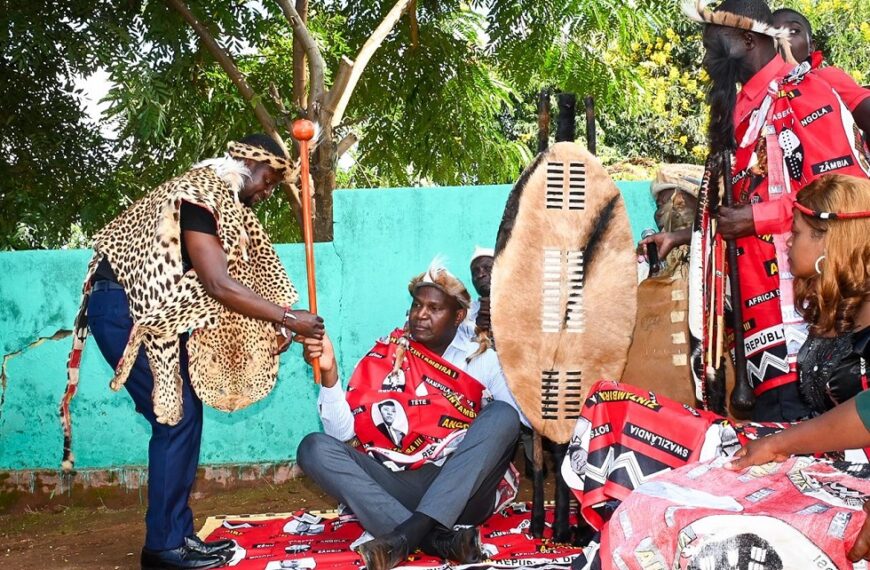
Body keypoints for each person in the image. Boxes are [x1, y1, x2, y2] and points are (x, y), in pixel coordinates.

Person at [568, 173, 870, 569]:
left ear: (829, 241)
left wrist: (780, 445)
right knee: (613, 407)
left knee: (674, 508)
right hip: (815, 453)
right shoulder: (842, 309)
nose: (788, 241)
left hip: (844, 473)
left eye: (796, 233)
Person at [61, 134, 324, 570]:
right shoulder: (200, 195)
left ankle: (177, 536)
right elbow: (218, 283)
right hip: (124, 309)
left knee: (183, 415)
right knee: (176, 416)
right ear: (245, 164)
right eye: (268, 180)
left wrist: (274, 323)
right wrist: (285, 317)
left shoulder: (219, 204)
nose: (268, 191)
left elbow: (223, 286)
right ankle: (164, 546)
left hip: (148, 313)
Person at [642, 0, 870, 422]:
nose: (707, 59)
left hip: (808, 326)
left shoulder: (807, 92)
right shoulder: (746, 112)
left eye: (714, 46)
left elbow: (850, 195)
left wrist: (756, 218)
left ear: (748, 39)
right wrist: (686, 235)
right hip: (756, 335)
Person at [295, 259, 522, 570]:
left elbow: (518, 424)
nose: (421, 315)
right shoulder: (388, 354)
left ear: (458, 317)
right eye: (417, 305)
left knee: (503, 415)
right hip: (399, 483)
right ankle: (434, 539)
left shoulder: (481, 359)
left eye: (434, 308)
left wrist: (514, 354)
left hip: (461, 489)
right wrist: (330, 374)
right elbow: (342, 436)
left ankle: (406, 534)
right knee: (313, 448)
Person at [771, 8, 870, 134]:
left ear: (811, 47)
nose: (781, 40)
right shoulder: (755, 98)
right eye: (772, 35)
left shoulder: (828, 78)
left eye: (793, 31)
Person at [457, 246, 494, 344]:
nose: (480, 275)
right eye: (475, 272)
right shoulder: (465, 314)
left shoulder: (523, 307)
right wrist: (476, 330)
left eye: (488, 268)